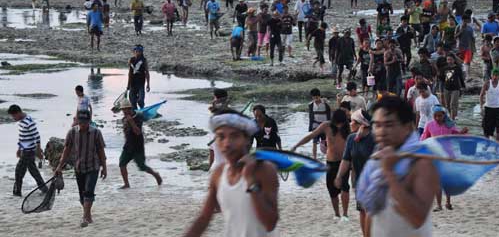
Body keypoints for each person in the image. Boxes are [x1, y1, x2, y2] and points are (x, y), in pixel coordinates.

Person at [184, 109, 279, 237]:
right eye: (221, 137)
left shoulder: (264, 170)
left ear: (247, 139)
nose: (227, 143)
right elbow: (204, 218)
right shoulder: (218, 174)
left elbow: (270, 223)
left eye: (234, 136)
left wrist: (250, 180)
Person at [358, 96, 438, 236]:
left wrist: (389, 172)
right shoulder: (376, 160)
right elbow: (371, 212)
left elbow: (417, 219)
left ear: (408, 127)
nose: (381, 131)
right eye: (377, 125)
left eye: (389, 125)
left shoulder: (421, 162)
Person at [291, 109, 351, 222]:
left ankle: (345, 214)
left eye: (342, 123)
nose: (339, 125)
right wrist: (296, 145)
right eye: (338, 123)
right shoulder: (326, 126)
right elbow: (311, 136)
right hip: (331, 162)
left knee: (344, 187)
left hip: (344, 161)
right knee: (332, 189)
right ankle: (337, 214)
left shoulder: (348, 128)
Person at [55, 110, 107, 228]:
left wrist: (104, 167)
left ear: (89, 121)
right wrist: (59, 167)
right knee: (82, 195)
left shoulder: (96, 133)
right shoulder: (72, 132)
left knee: (89, 191)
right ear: (78, 121)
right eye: (81, 121)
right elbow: (66, 151)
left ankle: (85, 217)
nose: (83, 124)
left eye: (85, 122)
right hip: (79, 167)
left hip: (93, 166)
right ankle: (88, 215)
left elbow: (101, 151)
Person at [335, 110, 375, 236]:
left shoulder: (375, 138)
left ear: (361, 124)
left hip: (374, 181)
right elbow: (346, 160)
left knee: (370, 212)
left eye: (353, 121)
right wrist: (339, 176)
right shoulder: (352, 138)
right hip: (360, 182)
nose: (350, 123)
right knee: (362, 211)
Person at [420, 105, 467, 211]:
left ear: (444, 115)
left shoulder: (449, 125)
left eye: (440, 116)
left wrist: (462, 133)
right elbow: (424, 138)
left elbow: (457, 136)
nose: (437, 118)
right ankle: (439, 205)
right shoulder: (429, 125)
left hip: (448, 156)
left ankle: (448, 202)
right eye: (435, 116)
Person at [118, 99, 162, 189]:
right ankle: (126, 184)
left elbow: (138, 132)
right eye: (123, 110)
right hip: (128, 146)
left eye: (125, 109)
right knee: (122, 163)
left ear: (130, 108)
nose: (124, 111)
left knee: (141, 166)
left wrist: (131, 122)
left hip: (137, 146)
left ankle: (155, 175)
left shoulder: (137, 117)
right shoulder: (124, 119)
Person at [8, 104, 46, 197]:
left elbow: (37, 136)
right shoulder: (21, 121)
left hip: (29, 151)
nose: (13, 118)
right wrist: (19, 148)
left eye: (14, 116)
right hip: (24, 149)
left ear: (18, 113)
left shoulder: (28, 122)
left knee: (19, 171)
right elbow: (22, 137)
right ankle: (44, 189)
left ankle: (17, 192)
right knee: (33, 170)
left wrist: (38, 150)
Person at [480, 68, 499, 142]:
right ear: (491, 75)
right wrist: (481, 108)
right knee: (486, 129)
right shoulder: (487, 83)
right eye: (494, 75)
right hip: (488, 108)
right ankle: (487, 144)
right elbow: (481, 95)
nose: (495, 77)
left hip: (498, 109)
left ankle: (498, 146)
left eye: (496, 75)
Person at [308, 88, 331, 160]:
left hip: (325, 127)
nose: (315, 99)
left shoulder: (325, 103)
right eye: (314, 97)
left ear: (320, 96)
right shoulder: (311, 105)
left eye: (317, 97)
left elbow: (330, 113)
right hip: (315, 126)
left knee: (326, 143)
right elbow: (310, 117)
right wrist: (310, 127)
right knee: (314, 142)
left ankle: (328, 157)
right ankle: (314, 158)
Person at [127, 45, 150, 109]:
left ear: (141, 52)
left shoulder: (144, 60)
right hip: (132, 84)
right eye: (136, 51)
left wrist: (148, 84)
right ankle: (135, 114)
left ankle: (142, 110)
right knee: (133, 103)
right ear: (134, 52)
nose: (137, 53)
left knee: (140, 101)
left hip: (141, 84)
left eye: (139, 51)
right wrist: (128, 85)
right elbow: (130, 73)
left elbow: (147, 73)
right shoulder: (131, 60)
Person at [443, 54, 465, 120]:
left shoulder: (457, 68)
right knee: (447, 105)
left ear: (454, 60)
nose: (449, 61)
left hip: (455, 89)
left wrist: (463, 87)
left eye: (451, 59)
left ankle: (453, 119)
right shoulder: (445, 68)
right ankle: (451, 117)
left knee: (453, 104)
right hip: (446, 88)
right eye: (448, 60)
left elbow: (461, 78)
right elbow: (442, 78)